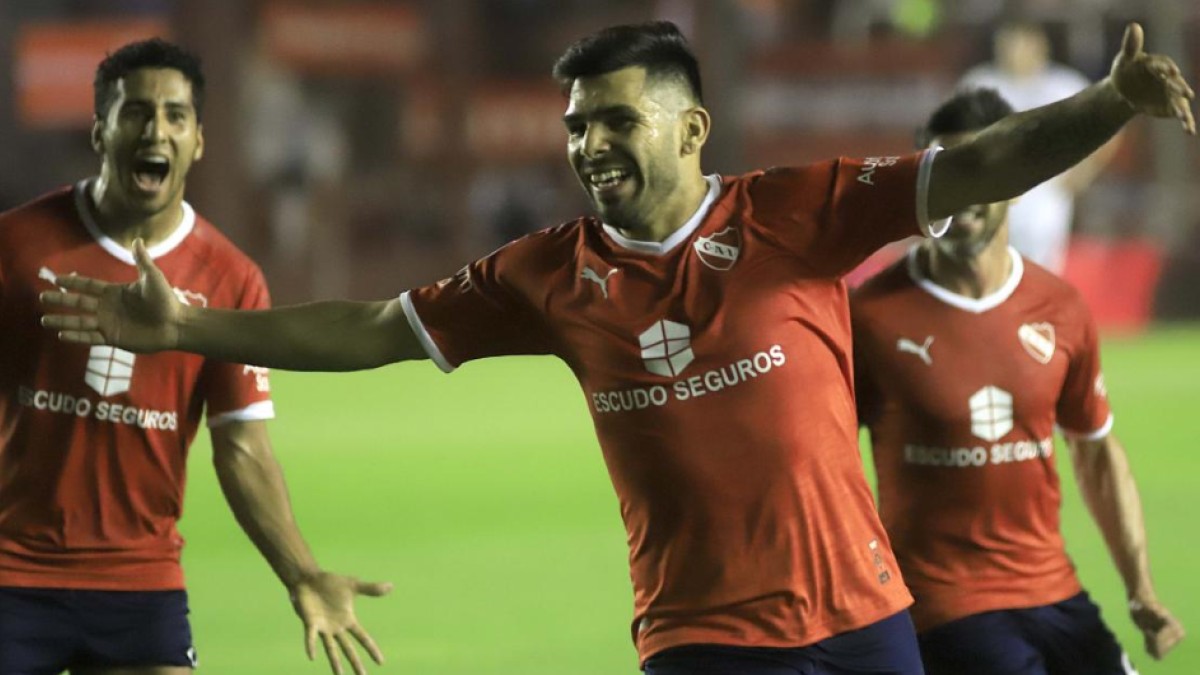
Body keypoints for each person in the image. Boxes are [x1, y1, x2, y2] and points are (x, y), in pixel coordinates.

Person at [41, 22, 1193, 674]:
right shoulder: (545, 275)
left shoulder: (799, 211)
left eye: (616, 120)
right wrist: (189, 327)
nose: (589, 144)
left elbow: (978, 166)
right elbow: (372, 327)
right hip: (703, 640)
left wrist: (1108, 103)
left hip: (867, 623)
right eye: (576, 125)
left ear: (691, 129)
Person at [0, 39, 388, 675]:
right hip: (12, 573)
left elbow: (242, 447)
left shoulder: (231, 279)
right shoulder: (15, 246)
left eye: (175, 115)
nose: (156, 130)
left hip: (141, 583)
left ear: (198, 141)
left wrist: (301, 573)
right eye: (135, 112)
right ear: (100, 132)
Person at [851, 87, 1185, 674]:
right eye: (945, 174)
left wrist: (1140, 590)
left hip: (1056, 595)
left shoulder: (1060, 306)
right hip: (944, 608)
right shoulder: (871, 317)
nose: (962, 193)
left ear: (1016, 179)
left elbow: (1096, 451)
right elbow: (820, 463)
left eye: (977, 170)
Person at [960, 19, 1119, 273]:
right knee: (989, 270)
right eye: (1005, 46)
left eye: (1018, 46)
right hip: (992, 192)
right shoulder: (980, 83)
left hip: (1046, 193)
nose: (1011, 53)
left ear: (1039, 47)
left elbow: (1109, 125)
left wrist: (1084, 173)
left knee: (1040, 271)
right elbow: (954, 134)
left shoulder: (1064, 86)